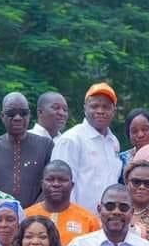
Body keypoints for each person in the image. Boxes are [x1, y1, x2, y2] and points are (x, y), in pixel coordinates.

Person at [51, 83, 122, 211]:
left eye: (106, 107)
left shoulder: (114, 142)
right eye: (94, 106)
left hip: (108, 222)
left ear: (113, 111)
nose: (100, 111)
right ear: (85, 108)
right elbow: (61, 189)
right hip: (78, 223)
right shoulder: (71, 140)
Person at [0, 92, 53, 209]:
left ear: (29, 115)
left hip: (36, 218)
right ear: (2, 116)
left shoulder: (46, 145)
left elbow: (50, 184)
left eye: (23, 113)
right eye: (11, 113)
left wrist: (32, 213)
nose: (18, 118)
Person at [24, 161, 100, 246]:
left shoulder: (89, 220)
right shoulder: (26, 216)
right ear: (42, 184)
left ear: (72, 185)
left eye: (62, 180)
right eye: (50, 179)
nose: (56, 184)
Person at [117, 108, 149, 175]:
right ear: (128, 135)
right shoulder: (121, 160)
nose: (140, 135)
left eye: (145, 129)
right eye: (134, 131)